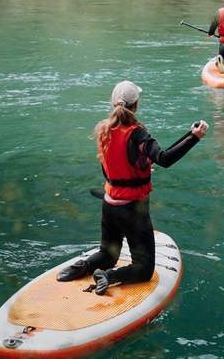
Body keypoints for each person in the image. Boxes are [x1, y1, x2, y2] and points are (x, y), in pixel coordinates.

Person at [56, 81, 207, 295]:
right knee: (144, 269)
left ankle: (80, 268)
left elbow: (109, 171)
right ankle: (108, 276)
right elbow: (163, 159)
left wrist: (139, 170)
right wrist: (195, 137)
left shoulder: (103, 130)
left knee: (107, 255)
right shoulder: (138, 134)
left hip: (109, 205)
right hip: (132, 210)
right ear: (136, 105)